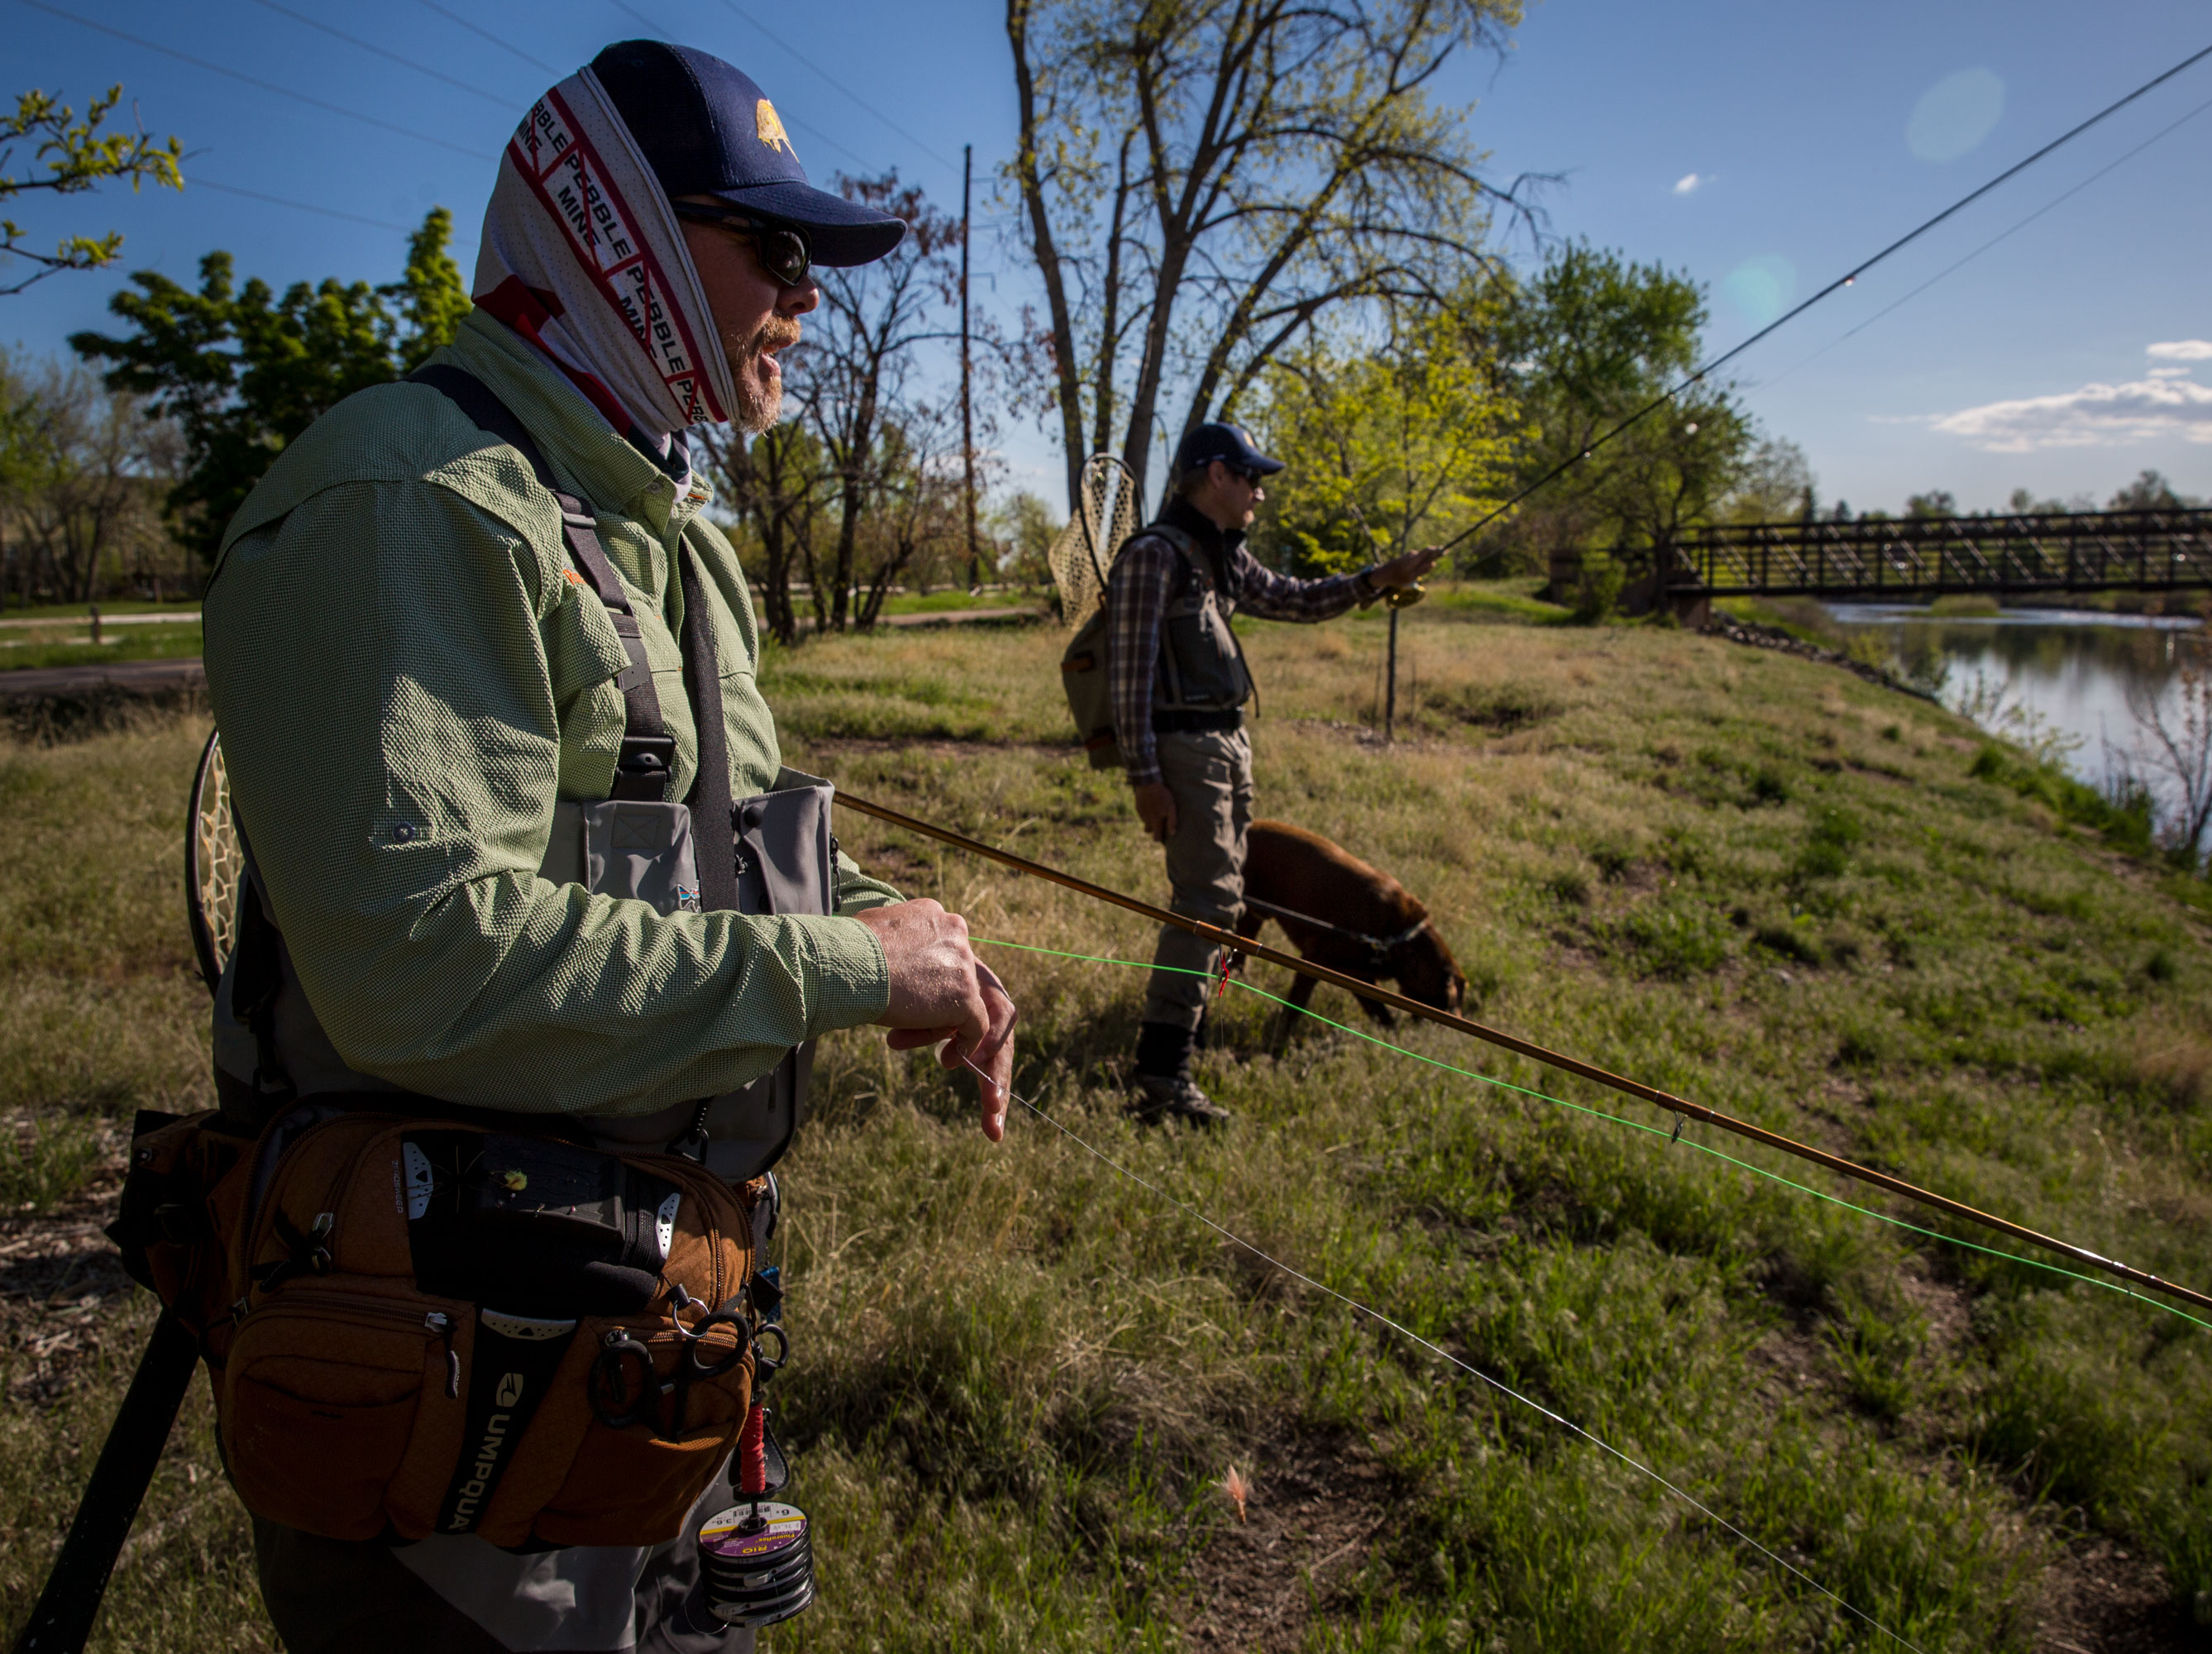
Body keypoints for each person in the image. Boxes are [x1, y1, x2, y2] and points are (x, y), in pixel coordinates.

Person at [199, 41, 1015, 1653]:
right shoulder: (411, 494)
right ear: (616, 229)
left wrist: (895, 937)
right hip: (443, 1407)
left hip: (642, 1326)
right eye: (773, 249)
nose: (809, 297)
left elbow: (720, 853)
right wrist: (847, 963)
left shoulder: (672, 538)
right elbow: (419, 961)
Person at [1106, 423, 1440, 1126]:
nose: (1260, 491)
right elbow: (1127, 675)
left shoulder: (1217, 555)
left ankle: (1192, 1032)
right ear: (1216, 476)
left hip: (1229, 746)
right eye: (1252, 477)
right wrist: (1146, 777)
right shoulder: (1153, 556)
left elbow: (1294, 599)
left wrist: (1380, 579)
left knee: (1229, 904)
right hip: (1185, 753)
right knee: (1203, 903)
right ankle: (1162, 1076)